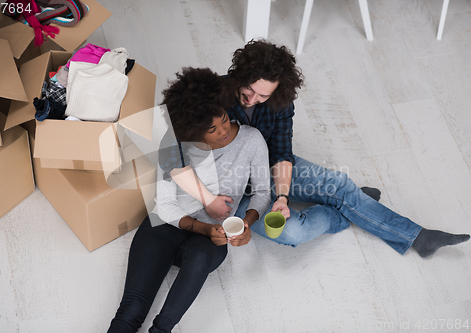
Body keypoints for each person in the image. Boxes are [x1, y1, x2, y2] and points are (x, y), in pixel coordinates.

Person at [163, 40, 469, 258]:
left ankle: (417, 236)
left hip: (266, 166)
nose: (253, 100)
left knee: (339, 184)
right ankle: (348, 211)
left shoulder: (280, 103)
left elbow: (282, 151)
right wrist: (208, 198)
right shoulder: (210, 95)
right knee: (294, 233)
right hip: (229, 189)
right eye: (250, 90)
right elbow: (171, 157)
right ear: (240, 76)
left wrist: (281, 197)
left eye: (263, 96)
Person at [107, 67, 271, 333]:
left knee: (198, 257)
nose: (224, 132)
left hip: (207, 243)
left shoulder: (251, 140)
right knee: (131, 311)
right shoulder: (175, 148)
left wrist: (246, 223)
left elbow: (263, 191)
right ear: (194, 131)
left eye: (225, 120)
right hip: (167, 228)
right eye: (212, 129)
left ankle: (162, 329)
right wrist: (204, 226)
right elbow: (166, 205)